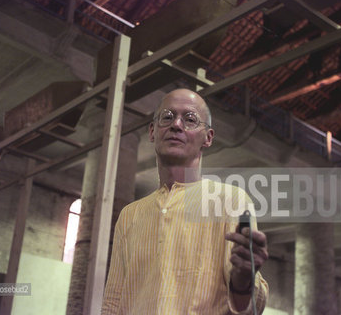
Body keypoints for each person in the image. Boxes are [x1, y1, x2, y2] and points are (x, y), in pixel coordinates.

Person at [101, 88, 269, 314]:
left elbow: (248, 308)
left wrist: (244, 281)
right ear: (152, 132)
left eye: (190, 119)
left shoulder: (230, 200)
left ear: (208, 138)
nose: (176, 125)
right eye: (167, 117)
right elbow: (113, 301)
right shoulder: (130, 215)